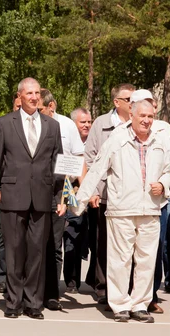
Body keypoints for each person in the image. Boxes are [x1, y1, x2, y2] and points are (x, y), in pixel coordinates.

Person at [74, 99, 170, 323]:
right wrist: (78, 204)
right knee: (120, 260)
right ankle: (119, 304)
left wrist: (164, 183)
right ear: (132, 116)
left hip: (150, 209)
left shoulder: (159, 140)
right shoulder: (117, 139)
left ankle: (140, 304)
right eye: (143, 116)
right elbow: (97, 168)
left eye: (150, 117)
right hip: (121, 209)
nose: (147, 121)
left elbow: (169, 170)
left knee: (147, 260)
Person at [0, 77, 65, 320]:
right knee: (14, 251)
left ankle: (33, 303)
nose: (34, 97)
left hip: (42, 197)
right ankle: (13, 301)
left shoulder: (52, 126)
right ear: (19, 96)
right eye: (29, 93)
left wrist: (61, 198)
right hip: (12, 196)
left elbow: (57, 164)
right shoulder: (4, 124)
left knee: (37, 252)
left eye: (37, 93)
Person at [84, 83, 135, 304]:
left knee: (130, 245)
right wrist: (93, 190)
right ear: (117, 102)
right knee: (103, 242)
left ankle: (128, 288)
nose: (134, 103)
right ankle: (103, 287)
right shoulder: (102, 124)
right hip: (106, 193)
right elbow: (90, 157)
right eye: (129, 99)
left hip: (132, 196)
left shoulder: (140, 123)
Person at [38, 89, 85, 310]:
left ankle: (52, 293)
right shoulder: (30, 125)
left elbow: (77, 158)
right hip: (34, 189)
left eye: (40, 109)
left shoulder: (66, 126)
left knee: (55, 245)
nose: (36, 113)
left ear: (51, 106)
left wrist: (75, 192)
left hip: (61, 189)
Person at [62, 107, 93, 294]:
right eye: (83, 122)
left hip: (88, 195)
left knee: (82, 237)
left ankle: (79, 279)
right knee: (70, 237)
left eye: (89, 122)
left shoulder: (93, 141)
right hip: (69, 192)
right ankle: (71, 281)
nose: (87, 125)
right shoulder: (69, 141)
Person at [0, 94, 23, 295]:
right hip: (7, 191)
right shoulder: (3, 125)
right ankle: (3, 277)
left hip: (30, 192)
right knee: (6, 237)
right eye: (17, 106)